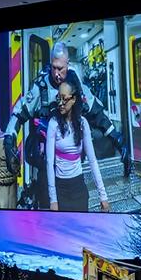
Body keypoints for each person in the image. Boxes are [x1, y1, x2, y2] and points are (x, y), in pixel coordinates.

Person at [3, 42, 129, 206]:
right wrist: (8, 141)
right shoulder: (40, 88)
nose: (57, 73)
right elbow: (18, 114)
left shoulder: (76, 86)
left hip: (71, 168)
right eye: (54, 67)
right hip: (46, 163)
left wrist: (117, 140)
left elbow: (97, 113)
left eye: (61, 68)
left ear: (68, 65)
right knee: (47, 206)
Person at [46, 81, 111, 212]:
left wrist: (103, 196)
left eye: (64, 99)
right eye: (58, 98)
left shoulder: (82, 123)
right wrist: (53, 199)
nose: (60, 103)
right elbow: (49, 162)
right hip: (61, 188)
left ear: (74, 99)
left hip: (78, 187)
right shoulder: (53, 124)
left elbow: (92, 161)